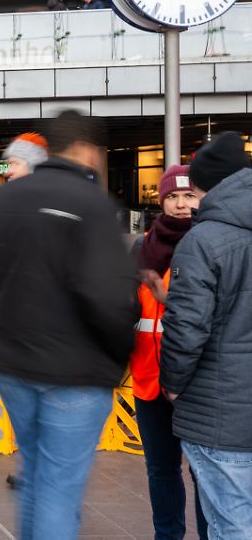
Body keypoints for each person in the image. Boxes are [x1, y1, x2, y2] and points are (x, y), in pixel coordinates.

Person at [0, 109, 137, 540]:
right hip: (77, 371)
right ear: (87, 149)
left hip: (13, 365)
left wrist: (6, 321)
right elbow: (107, 297)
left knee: (34, 475)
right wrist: (118, 355)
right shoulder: (92, 205)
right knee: (59, 489)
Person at [161, 131, 252, 538]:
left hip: (221, 413)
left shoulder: (203, 241)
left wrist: (173, 384)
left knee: (232, 525)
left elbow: (186, 326)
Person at [128, 164, 210, 540]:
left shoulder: (212, 245)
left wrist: (168, 300)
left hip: (197, 382)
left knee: (204, 471)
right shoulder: (142, 246)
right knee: (161, 469)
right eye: (172, 196)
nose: (180, 204)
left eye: (188, 195)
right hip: (148, 379)